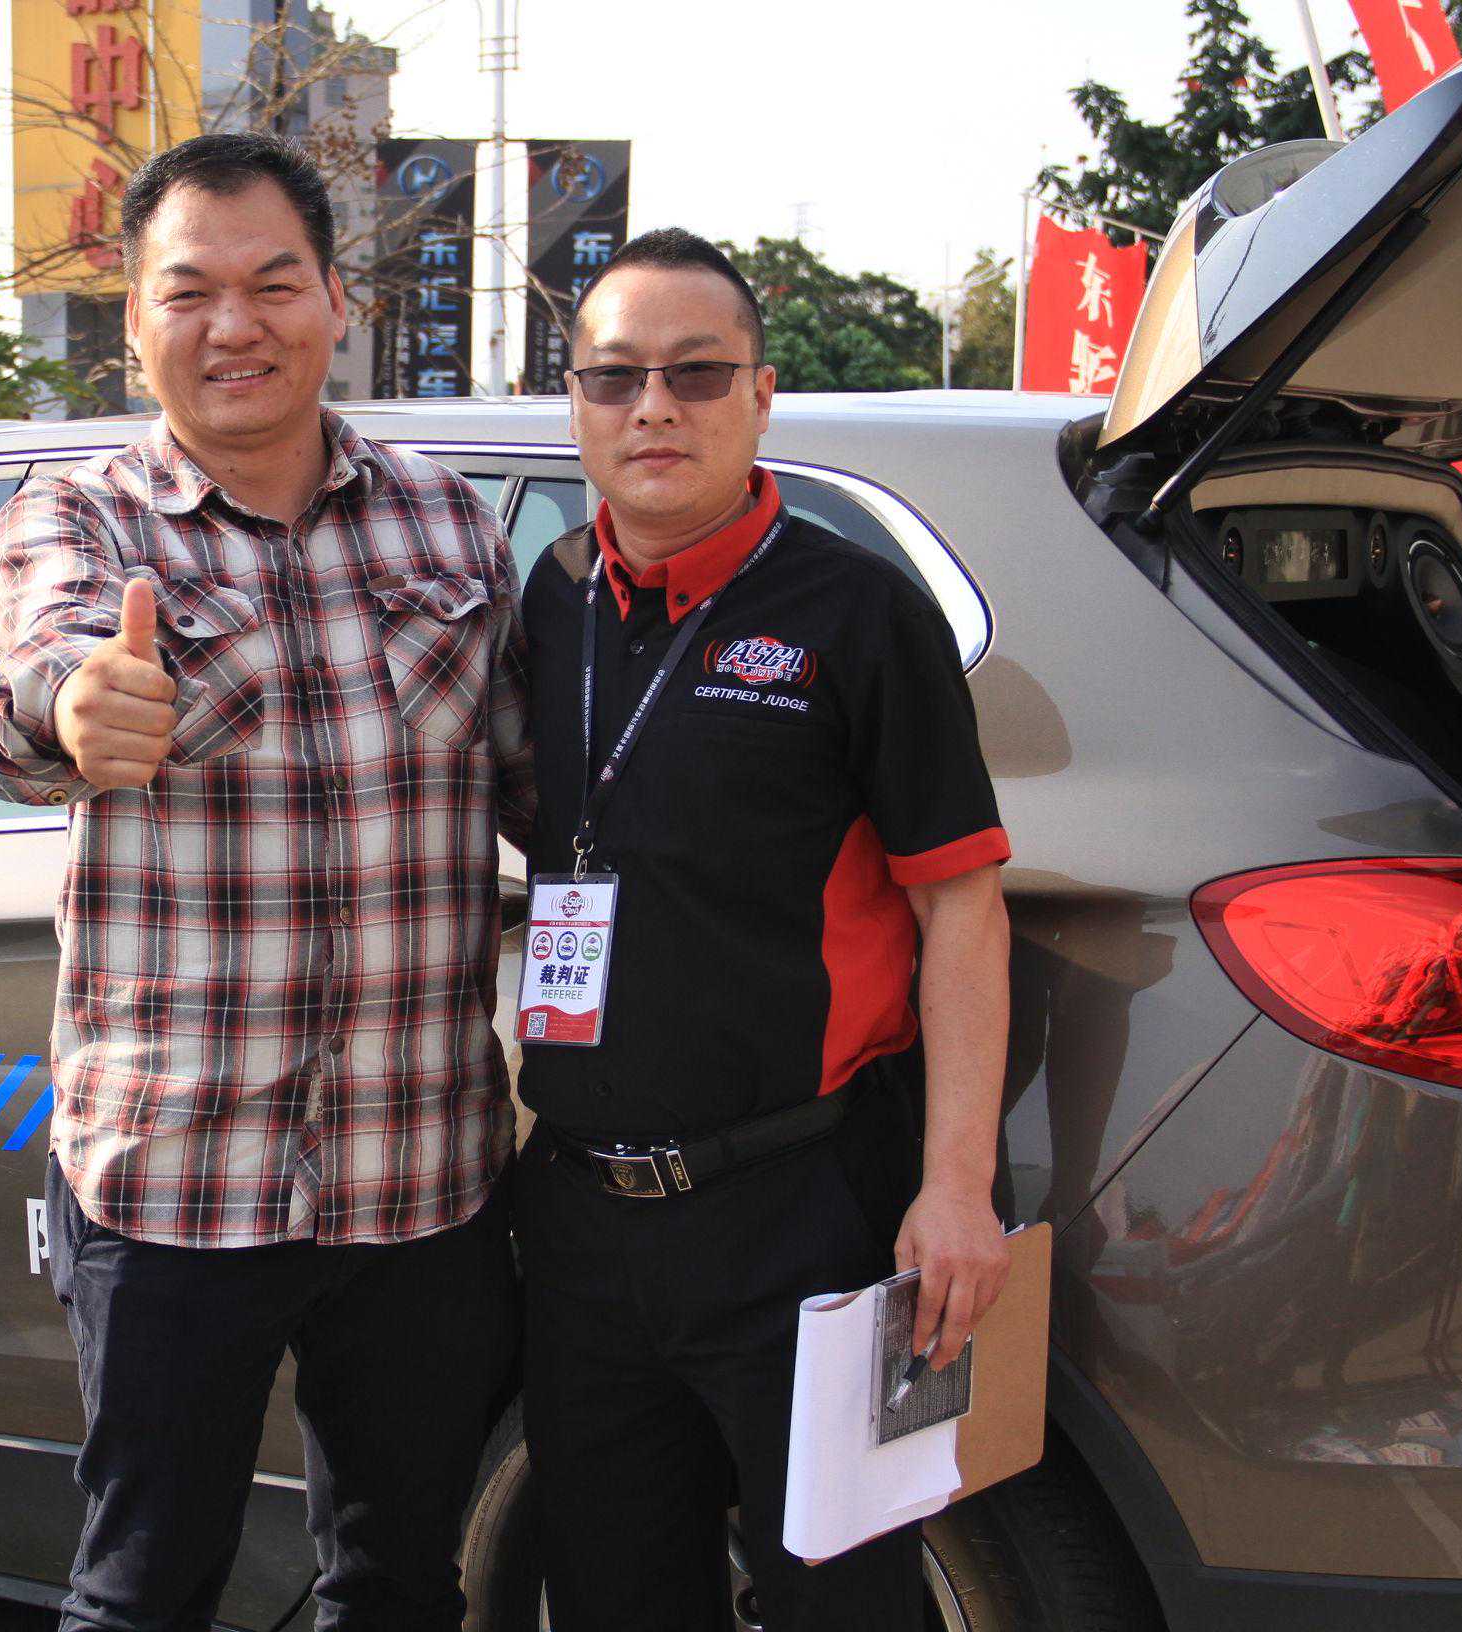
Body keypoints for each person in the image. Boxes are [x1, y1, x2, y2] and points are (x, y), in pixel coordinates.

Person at [0, 132, 534, 1632]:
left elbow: (545, 790)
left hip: (421, 1172)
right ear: (135, 319)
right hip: (176, 1178)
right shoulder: (76, 518)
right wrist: (80, 707)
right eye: (190, 292)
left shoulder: (448, 521)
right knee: (144, 1587)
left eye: (274, 284)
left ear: (338, 301)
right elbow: (47, 671)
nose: (235, 326)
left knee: (402, 1584)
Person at [513, 227, 1013, 1632]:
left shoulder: (856, 612)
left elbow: (962, 905)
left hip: (803, 1217)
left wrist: (955, 1187)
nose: (652, 409)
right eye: (614, 377)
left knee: (842, 1606)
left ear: (760, 394)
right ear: (574, 399)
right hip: (582, 1220)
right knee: (611, 1599)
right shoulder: (552, 597)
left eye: (695, 373)